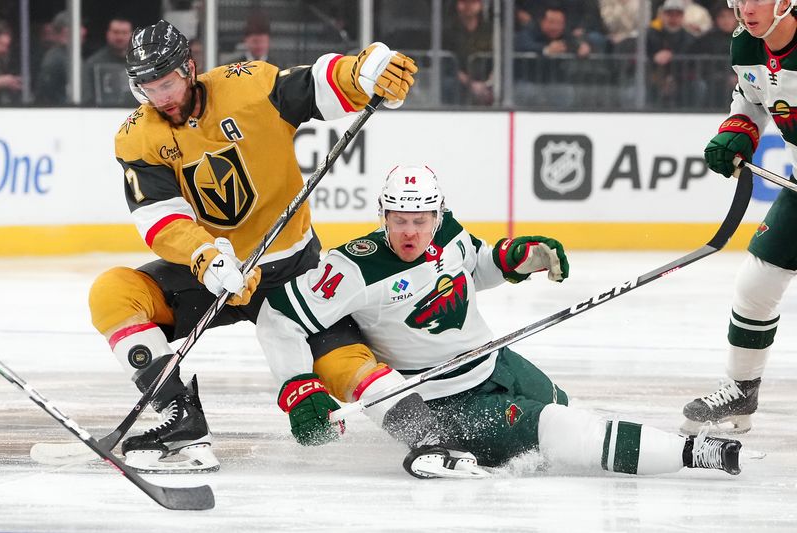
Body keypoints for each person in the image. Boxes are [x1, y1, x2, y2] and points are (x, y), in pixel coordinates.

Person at [260, 165, 744, 478]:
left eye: (421, 218)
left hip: (496, 363)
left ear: (438, 214)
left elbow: (477, 267)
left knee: (566, 409)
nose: (410, 231)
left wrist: (518, 258)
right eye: (400, 219)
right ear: (383, 215)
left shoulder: (448, 233)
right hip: (443, 399)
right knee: (561, 429)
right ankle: (695, 453)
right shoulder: (354, 268)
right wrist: (298, 389)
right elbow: (278, 317)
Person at [92, 19, 417, 473]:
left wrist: (362, 74)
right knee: (113, 294)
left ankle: (425, 433)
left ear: (189, 68)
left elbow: (316, 85)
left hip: (293, 273)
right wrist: (205, 257)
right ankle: (181, 418)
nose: (159, 97)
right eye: (146, 87)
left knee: (343, 365)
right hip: (215, 274)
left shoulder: (247, 87)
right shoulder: (137, 136)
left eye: (165, 83)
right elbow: (160, 217)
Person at [682, 0, 797, 434]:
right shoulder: (747, 45)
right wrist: (738, 131)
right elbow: (751, 99)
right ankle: (741, 390)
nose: (746, 8)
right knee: (756, 283)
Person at [82, 16, 136, 107]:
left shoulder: (141, 62)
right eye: (116, 32)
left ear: (132, 35)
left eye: (124, 33)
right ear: (108, 34)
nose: (120, 37)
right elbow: (87, 97)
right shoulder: (94, 63)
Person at [0, 20, 22, 106]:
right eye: (1, 44)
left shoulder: (1, 60)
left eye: (7, 46)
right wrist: (1, 82)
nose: (5, 50)